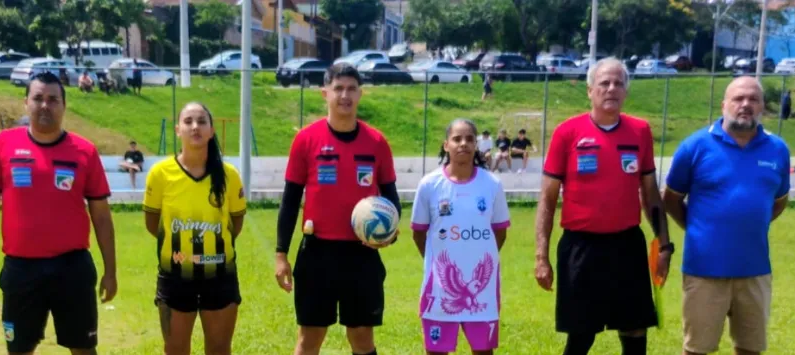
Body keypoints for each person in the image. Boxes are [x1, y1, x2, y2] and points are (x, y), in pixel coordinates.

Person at [0, 72, 117, 355]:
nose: (45, 105)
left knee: (83, 349)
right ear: (26, 103)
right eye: (38, 98)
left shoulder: (84, 151)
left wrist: (111, 271)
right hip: (21, 269)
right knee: (20, 350)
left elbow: (101, 216)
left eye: (52, 99)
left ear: (64, 105)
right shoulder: (4, 143)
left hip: (72, 268)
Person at [534, 58, 672, 355]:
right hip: (581, 247)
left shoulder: (640, 131)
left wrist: (664, 246)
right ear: (590, 90)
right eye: (604, 83)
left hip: (627, 245)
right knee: (582, 334)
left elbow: (650, 194)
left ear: (626, 91)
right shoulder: (567, 133)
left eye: (618, 83)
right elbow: (547, 199)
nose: (611, 89)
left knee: (635, 330)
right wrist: (541, 256)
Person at [274, 63, 402, 355]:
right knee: (309, 338)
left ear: (361, 94)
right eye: (338, 88)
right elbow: (290, 200)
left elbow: (392, 198)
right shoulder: (306, 140)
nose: (345, 95)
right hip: (317, 254)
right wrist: (281, 254)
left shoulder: (377, 142)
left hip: (362, 255)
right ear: (324, 93)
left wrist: (389, 232)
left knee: (362, 337)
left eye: (351, 89)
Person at [663, 76, 791, 355]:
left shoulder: (778, 149)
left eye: (753, 99)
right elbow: (671, 199)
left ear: (762, 107)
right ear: (724, 105)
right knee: (697, 349)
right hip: (704, 270)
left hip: (755, 270)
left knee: (750, 348)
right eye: (738, 99)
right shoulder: (694, 146)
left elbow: (779, 202)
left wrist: (749, 224)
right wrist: (696, 228)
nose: (745, 105)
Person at [143, 102, 247, 355]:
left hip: (220, 275)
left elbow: (235, 225)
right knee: (176, 350)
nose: (195, 127)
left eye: (202, 121)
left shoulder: (229, 175)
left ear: (212, 130)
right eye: (188, 121)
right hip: (174, 276)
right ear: (178, 129)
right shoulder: (160, 174)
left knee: (220, 349)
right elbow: (153, 224)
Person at [410, 119, 511, 355]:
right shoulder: (429, 185)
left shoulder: (492, 184)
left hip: (482, 292)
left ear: (476, 145)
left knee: (484, 351)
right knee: (436, 352)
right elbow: (418, 233)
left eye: (469, 139)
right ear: (446, 145)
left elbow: (500, 232)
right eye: (457, 139)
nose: (463, 143)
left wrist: (478, 255)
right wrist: (437, 262)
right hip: (439, 290)